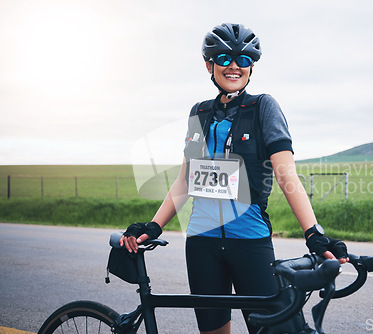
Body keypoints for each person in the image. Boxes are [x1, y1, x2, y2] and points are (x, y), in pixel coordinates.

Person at [121, 23, 348, 334]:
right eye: (225, 58)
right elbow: (186, 179)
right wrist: (154, 225)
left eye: (243, 60)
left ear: (251, 66)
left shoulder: (262, 107)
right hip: (201, 244)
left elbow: (286, 174)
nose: (234, 66)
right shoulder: (199, 112)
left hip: (250, 242)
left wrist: (313, 232)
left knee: (274, 330)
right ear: (209, 64)